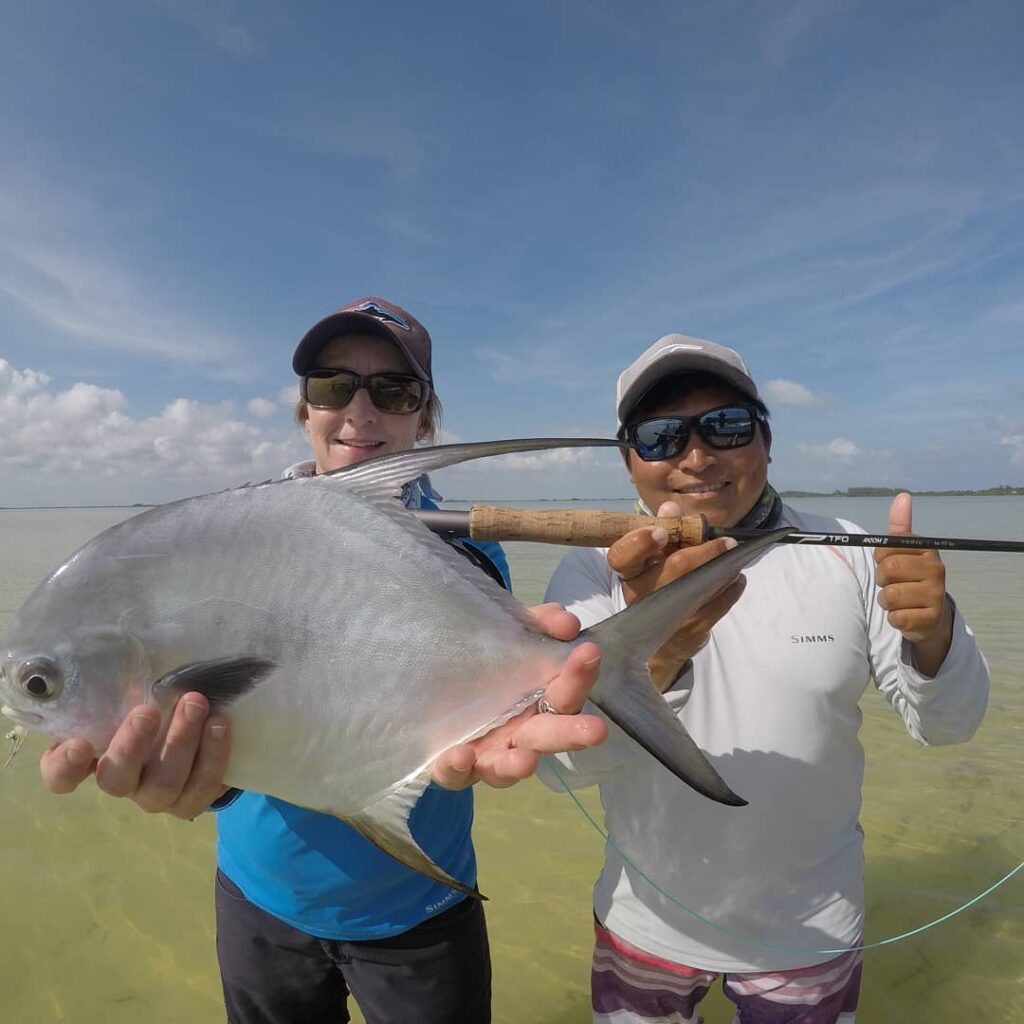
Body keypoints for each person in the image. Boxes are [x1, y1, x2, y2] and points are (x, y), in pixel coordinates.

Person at [39, 296, 607, 1024]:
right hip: (260, 902)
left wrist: (545, 683)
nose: (359, 414)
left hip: (420, 911)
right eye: (333, 387)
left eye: (393, 391)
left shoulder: (468, 554)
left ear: (424, 419)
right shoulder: (226, 537)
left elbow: (479, 712)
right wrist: (196, 779)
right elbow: (247, 712)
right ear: (304, 411)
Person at [541, 333, 990, 1024]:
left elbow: (947, 726)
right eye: (661, 436)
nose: (696, 457)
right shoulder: (591, 574)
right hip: (647, 924)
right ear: (629, 462)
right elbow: (562, 769)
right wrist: (659, 652)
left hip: (810, 933)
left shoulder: (854, 554)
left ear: (767, 440)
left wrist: (934, 633)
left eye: (726, 425)